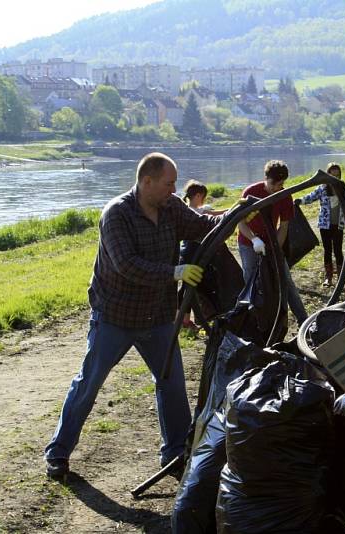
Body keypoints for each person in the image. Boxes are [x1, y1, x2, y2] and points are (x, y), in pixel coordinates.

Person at [44, 152, 222, 481]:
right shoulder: (116, 215)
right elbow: (127, 265)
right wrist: (175, 271)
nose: (174, 189)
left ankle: (175, 454)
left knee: (171, 383)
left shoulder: (170, 208)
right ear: (147, 181)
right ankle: (58, 453)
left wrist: (237, 215)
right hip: (115, 316)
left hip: (157, 317)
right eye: (169, 184)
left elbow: (201, 226)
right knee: (89, 383)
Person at [237, 160, 308, 325]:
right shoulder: (251, 192)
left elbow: (283, 226)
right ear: (265, 178)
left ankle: (303, 320)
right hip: (248, 243)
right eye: (273, 184)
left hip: (271, 244)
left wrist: (275, 248)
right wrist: (254, 239)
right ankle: (251, 321)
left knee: (286, 281)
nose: (276, 188)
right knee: (250, 281)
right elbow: (240, 223)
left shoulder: (284, 197)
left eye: (281, 184)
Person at [295, 163, 345, 286]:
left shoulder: (343, 188)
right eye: (332, 175)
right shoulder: (322, 188)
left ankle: (341, 278)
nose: (334, 178)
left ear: (340, 176)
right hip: (325, 225)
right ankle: (328, 277)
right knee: (327, 250)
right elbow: (311, 197)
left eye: (337, 175)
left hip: (338, 225)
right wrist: (300, 201)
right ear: (327, 175)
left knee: (338, 250)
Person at [178, 179, 225, 330]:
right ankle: (183, 320)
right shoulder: (198, 211)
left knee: (186, 287)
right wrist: (235, 209)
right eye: (203, 196)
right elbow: (217, 214)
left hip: (185, 252)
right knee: (190, 287)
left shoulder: (185, 209)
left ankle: (184, 320)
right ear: (198, 196)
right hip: (194, 253)